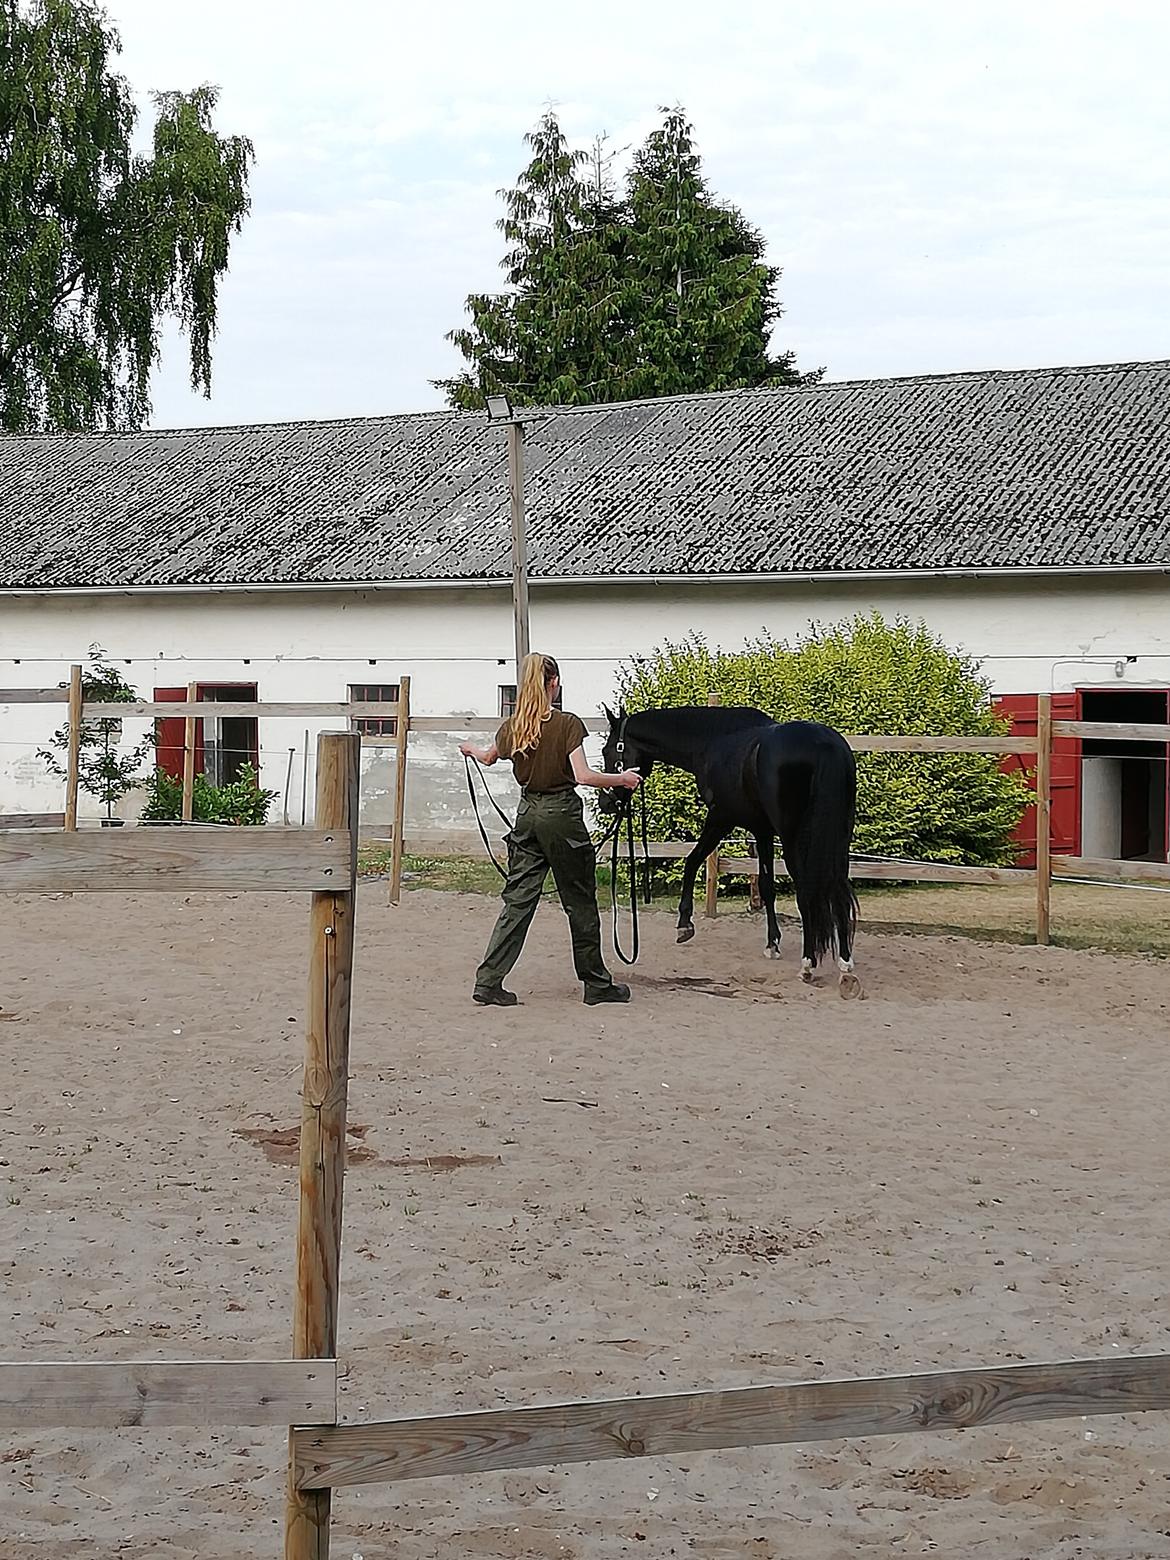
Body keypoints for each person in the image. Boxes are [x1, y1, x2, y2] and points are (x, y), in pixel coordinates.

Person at [460, 652, 642, 1007]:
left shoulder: (513, 726)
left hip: (527, 815)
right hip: (561, 818)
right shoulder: (567, 724)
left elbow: (487, 757)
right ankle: (596, 983)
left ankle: (489, 981)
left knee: (518, 900)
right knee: (579, 901)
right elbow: (583, 776)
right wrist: (621, 779)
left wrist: (470, 749)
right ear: (553, 683)